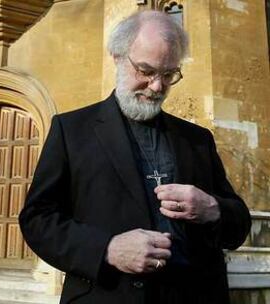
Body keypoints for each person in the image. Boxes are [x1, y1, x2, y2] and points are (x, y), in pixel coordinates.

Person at [19, 10, 251, 304]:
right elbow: (38, 220)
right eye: (146, 71)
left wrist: (212, 208)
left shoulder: (197, 140)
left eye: (169, 75)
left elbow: (239, 225)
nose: (157, 86)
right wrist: (107, 249)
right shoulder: (71, 130)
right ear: (117, 56)